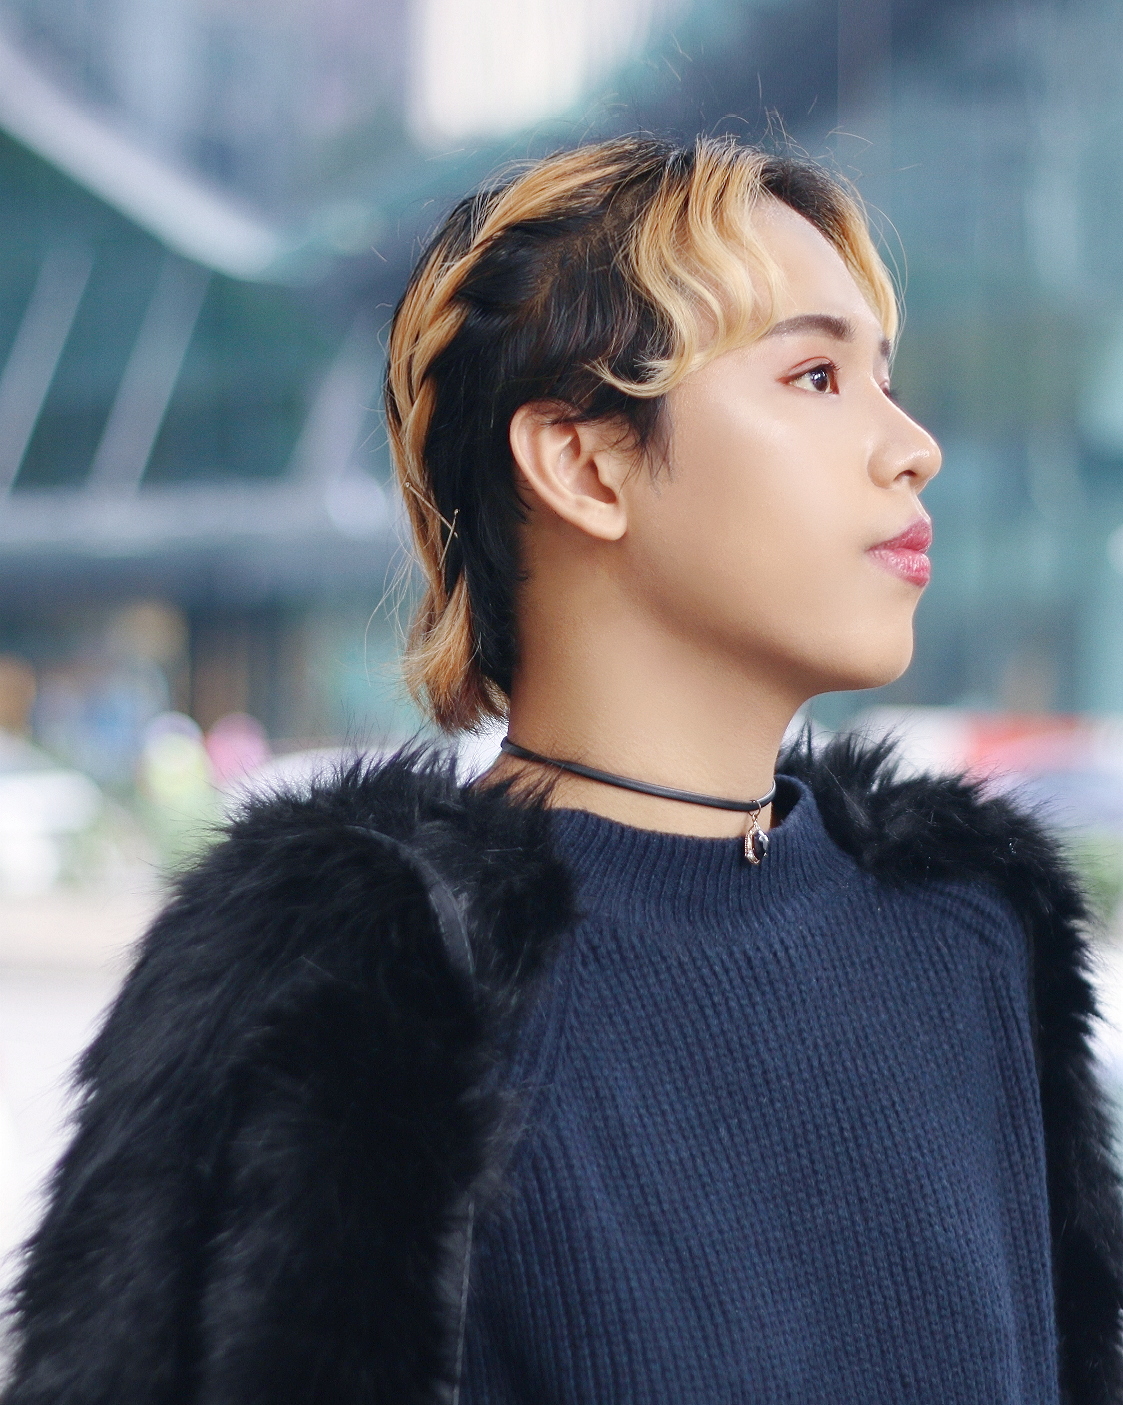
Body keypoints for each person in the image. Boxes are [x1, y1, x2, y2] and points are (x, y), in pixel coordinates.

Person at [3, 136, 1121, 1405]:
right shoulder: (362, 974)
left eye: (885, 379)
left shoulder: (970, 930)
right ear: (583, 463)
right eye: (814, 375)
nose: (912, 446)